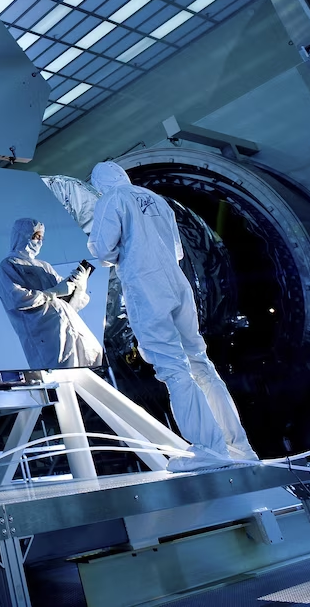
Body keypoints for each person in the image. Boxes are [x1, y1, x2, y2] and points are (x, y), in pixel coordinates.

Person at [86, 161, 257, 470]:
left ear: (100, 184)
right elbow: (177, 251)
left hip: (146, 286)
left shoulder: (111, 199)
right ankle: (240, 449)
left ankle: (208, 449)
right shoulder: (157, 200)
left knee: (173, 369)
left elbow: (101, 250)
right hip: (178, 284)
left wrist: (114, 256)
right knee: (202, 366)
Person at [0, 218, 103, 369]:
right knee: (63, 377)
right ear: (21, 235)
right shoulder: (8, 266)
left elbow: (69, 303)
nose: (39, 241)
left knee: (93, 360)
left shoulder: (45, 266)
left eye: (41, 238)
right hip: (47, 336)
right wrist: (53, 292)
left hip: (70, 326)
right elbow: (17, 298)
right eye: (35, 236)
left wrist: (79, 286)